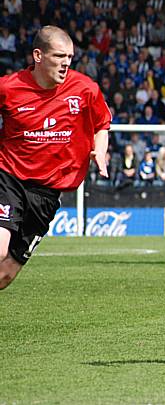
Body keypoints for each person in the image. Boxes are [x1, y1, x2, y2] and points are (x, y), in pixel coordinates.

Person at [0, 26, 111, 290]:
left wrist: (101, 151)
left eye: (70, 58)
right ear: (38, 55)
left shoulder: (85, 89)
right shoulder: (8, 87)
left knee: (5, 276)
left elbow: (101, 125)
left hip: (48, 193)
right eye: (59, 56)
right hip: (9, 176)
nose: (65, 64)